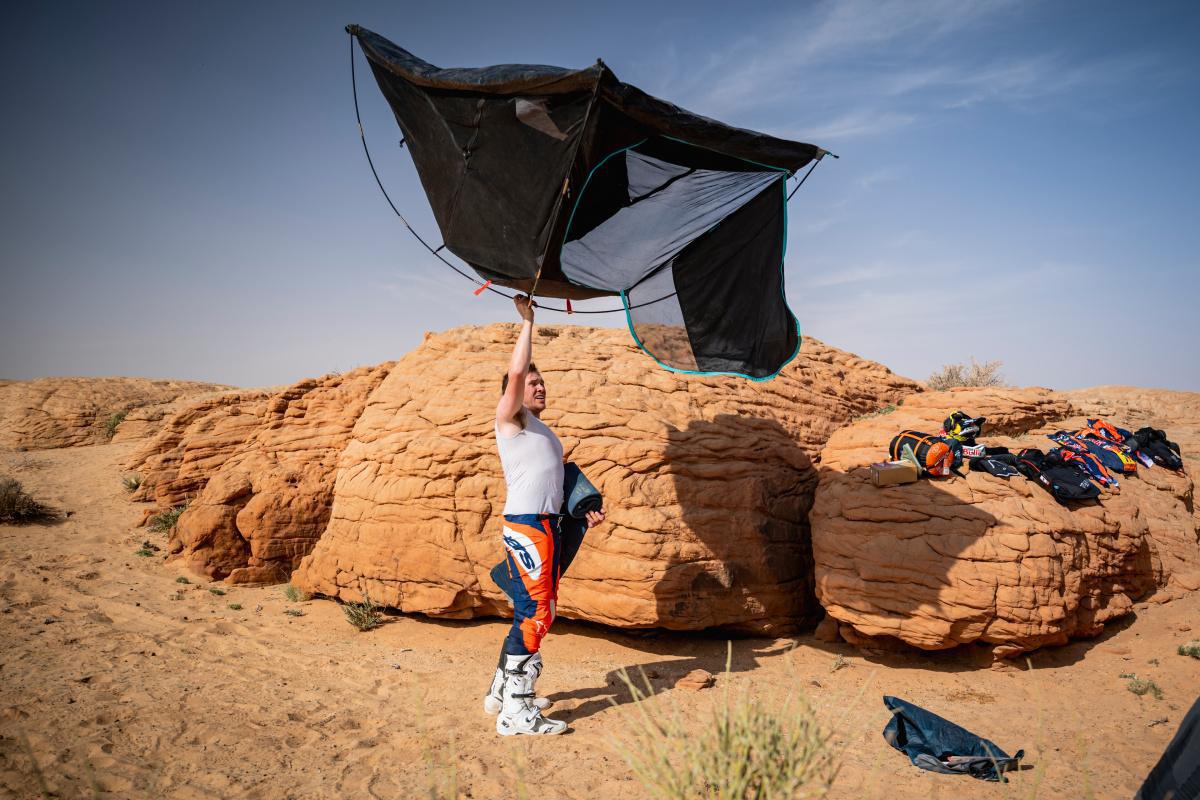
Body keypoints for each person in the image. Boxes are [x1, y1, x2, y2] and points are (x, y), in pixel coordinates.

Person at [483, 294, 605, 736]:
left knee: (529, 608)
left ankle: (501, 690)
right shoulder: (509, 420)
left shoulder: (542, 430)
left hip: (547, 526)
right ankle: (517, 711)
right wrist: (528, 323)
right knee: (537, 612)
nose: (539, 386)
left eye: (542, 383)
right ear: (513, 394)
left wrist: (580, 511)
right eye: (532, 383)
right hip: (528, 526)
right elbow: (516, 372)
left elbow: (559, 481)